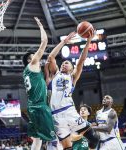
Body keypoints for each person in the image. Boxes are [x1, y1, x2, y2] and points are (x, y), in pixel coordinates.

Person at [45, 31, 99, 149]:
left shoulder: (72, 77)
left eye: (67, 63)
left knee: (94, 138)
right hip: (56, 115)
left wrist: (89, 41)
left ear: (72, 68)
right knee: (67, 147)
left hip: (69, 111)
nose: (64, 64)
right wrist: (63, 42)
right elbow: (51, 57)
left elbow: (81, 60)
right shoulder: (55, 74)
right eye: (63, 63)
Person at [22, 17, 55, 150]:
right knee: (56, 136)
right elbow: (44, 41)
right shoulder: (33, 63)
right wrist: (41, 26)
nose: (37, 56)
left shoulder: (28, 72)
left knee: (37, 140)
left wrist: (47, 78)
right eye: (34, 55)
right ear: (31, 59)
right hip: (40, 107)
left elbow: (41, 85)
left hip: (32, 107)